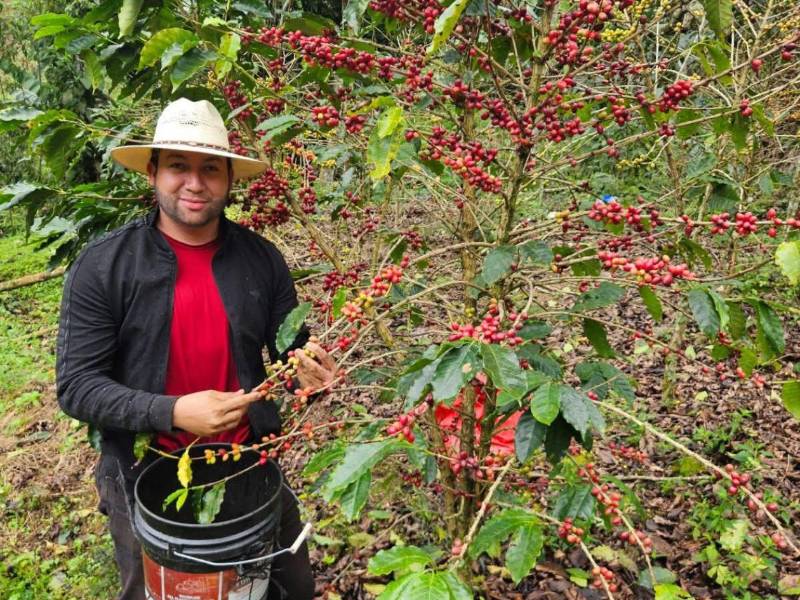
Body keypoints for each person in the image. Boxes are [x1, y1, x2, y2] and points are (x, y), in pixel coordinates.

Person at [56, 98, 335, 599]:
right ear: (153, 173)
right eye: (179, 166)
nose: (194, 182)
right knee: (164, 590)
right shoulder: (104, 266)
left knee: (287, 586)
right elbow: (77, 386)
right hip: (146, 470)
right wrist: (174, 411)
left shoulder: (261, 259)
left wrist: (308, 369)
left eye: (210, 168)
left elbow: (290, 348)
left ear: (228, 179)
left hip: (250, 459)